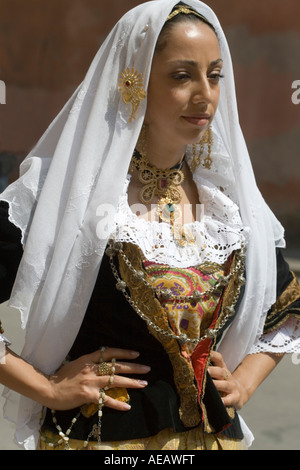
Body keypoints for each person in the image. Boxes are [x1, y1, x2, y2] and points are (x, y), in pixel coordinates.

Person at [0, 0, 299, 451]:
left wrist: (244, 381)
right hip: (100, 441)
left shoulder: (227, 198)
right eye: (182, 76)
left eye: (214, 75)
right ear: (132, 81)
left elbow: (287, 305)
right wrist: (47, 389)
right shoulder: (63, 191)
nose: (205, 95)